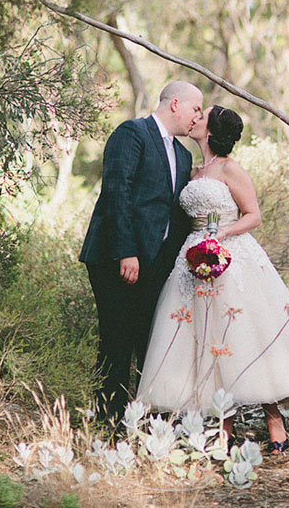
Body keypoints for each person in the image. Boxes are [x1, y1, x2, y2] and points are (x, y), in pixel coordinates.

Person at [137, 105, 289, 453]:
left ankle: (274, 420)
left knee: (246, 335)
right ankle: (223, 425)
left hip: (233, 256)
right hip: (193, 259)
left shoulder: (230, 168)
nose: (195, 118)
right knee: (206, 340)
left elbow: (254, 215)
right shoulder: (192, 170)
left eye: (201, 116)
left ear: (212, 130)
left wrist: (219, 238)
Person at [80, 81, 204, 423]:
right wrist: (126, 252)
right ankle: (109, 425)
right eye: (196, 109)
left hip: (156, 267)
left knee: (149, 346)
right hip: (115, 260)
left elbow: (174, 214)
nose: (197, 118)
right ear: (175, 104)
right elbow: (117, 192)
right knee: (116, 344)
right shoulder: (132, 133)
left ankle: (144, 425)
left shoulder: (183, 154)